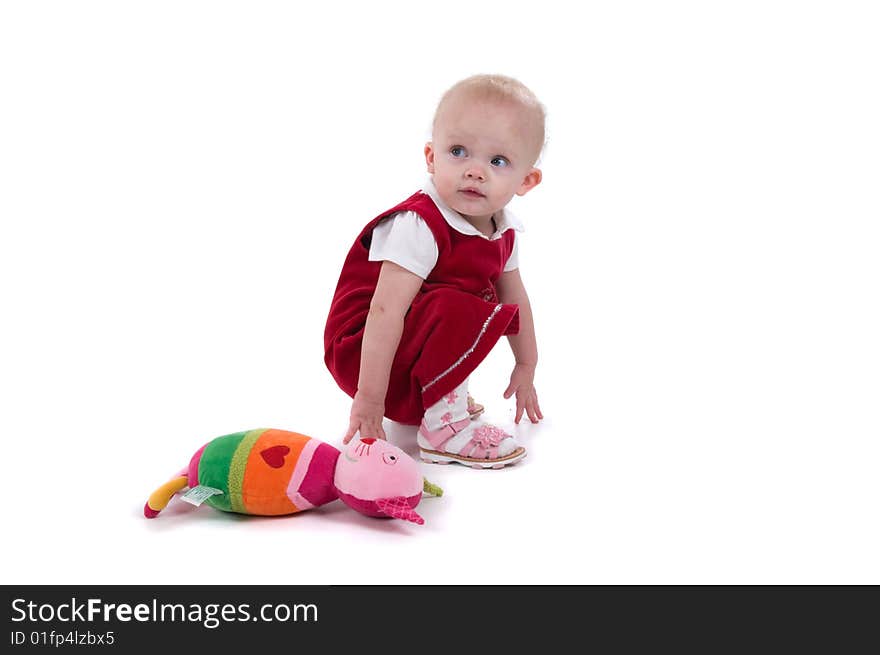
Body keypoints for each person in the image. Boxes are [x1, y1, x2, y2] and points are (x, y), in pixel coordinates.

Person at [323, 74, 545, 469]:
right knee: (458, 303)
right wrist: (370, 398)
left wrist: (527, 364)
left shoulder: (502, 229)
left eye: (498, 161)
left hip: (405, 343)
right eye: (458, 151)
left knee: (485, 299)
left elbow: (516, 297)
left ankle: (439, 396)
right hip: (363, 349)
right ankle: (443, 430)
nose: (475, 172)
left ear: (526, 180)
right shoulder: (419, 224)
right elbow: (385, 311)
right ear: (431, 157)